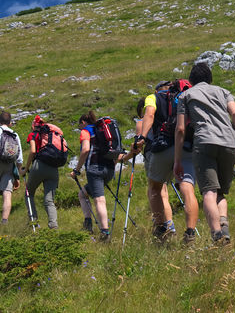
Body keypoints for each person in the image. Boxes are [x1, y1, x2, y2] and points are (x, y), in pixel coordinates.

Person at [175, 61, 235, 244]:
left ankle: (217, 236)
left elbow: (181, 129)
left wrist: (178, 160)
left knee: (208, 192)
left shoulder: (186, 95)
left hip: (204, 142)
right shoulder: (223, 91)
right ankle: (224, 226)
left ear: (191, 80)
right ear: (210, 78)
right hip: (228, 141)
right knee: (220, 192)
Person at [131, 79, 201, 243]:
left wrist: (142, 137)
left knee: (155, 188)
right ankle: (190, 232)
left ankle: (161, 228)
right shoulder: (184, 96)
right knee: (187, 188)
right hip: (186, 146)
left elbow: (149, 114)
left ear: (158, 90)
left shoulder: (153, 98)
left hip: (163, 147)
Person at [74, 109, 124, 242]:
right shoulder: (102, 130)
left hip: (94, 170)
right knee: (82, 194)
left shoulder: (86, 131)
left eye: (80, 125)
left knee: (99, 200)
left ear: (83, 122)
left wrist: (77, 169)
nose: (80, 128)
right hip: (109, 169)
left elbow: (85, 150)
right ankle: (88, 222)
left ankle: (104, 233)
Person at [24, 115, 67, 230]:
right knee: (49, 200)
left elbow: (33, 151)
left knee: (29, 193)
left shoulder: (33, 134)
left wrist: (25, 168)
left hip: (39, 165)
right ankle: (53, 226)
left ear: (33, 126)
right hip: (53, 169)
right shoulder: (49, 135)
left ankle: (34, 223)